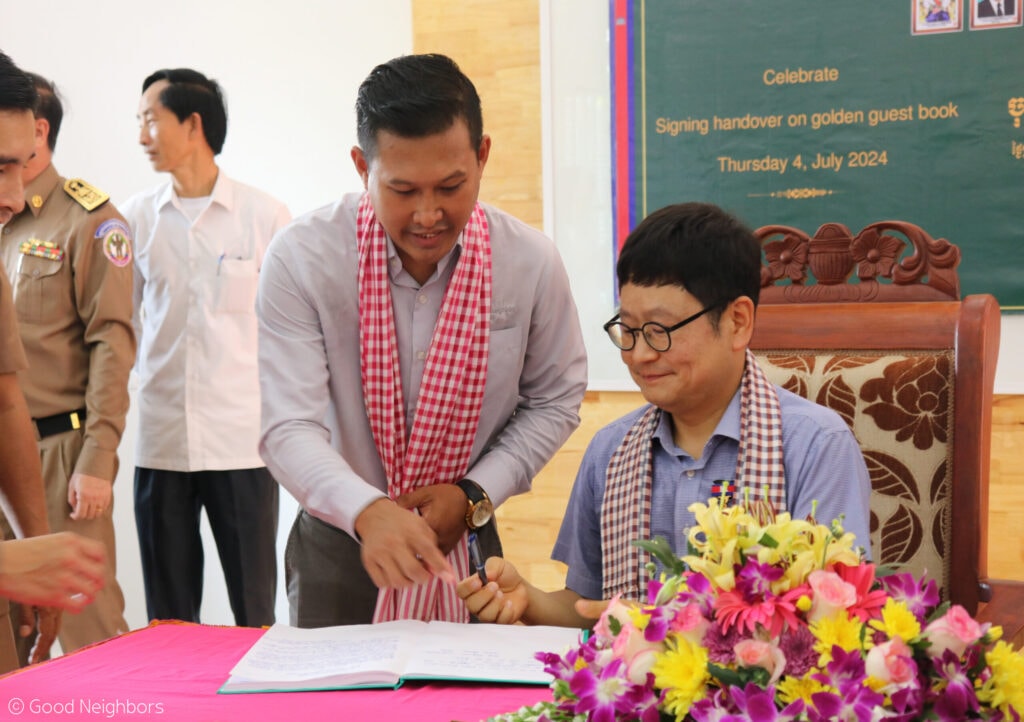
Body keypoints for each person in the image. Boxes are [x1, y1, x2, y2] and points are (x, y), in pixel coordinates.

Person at [257, 53, 588, 627]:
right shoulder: (304, 258)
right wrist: (368, 510)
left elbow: (555, 398)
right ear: (362, 166)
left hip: (467, 539)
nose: (428, 214)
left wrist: (473, 493)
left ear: (482, 157)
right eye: (403, 189)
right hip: (340, 543)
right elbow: (289, 426)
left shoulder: (528, 262)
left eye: (451, 186)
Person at [457, 202, 872, 628]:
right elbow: (591, 610)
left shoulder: (814, 446)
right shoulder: (610, 452)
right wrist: (529, 600)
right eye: (629, 330)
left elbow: (833, 619)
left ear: (737, 322)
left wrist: (664, 625)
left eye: (660, 331)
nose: (639, 354)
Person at [121, 68, 290, 627]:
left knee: (254, 610)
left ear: (192, 124)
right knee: (167, 620)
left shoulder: (264, 216)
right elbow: (124, 327)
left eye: (151, 121)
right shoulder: (135, 218)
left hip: (241, 443)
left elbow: (287, 334)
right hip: (162, 442)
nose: (142, 136)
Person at [0, 71, 133, 665]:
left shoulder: (90, 219)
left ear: (38, 131)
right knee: (13, 638)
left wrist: (97, 460)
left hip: (57, 453)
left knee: (87, 631)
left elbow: (112, 343)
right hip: (7, 448)